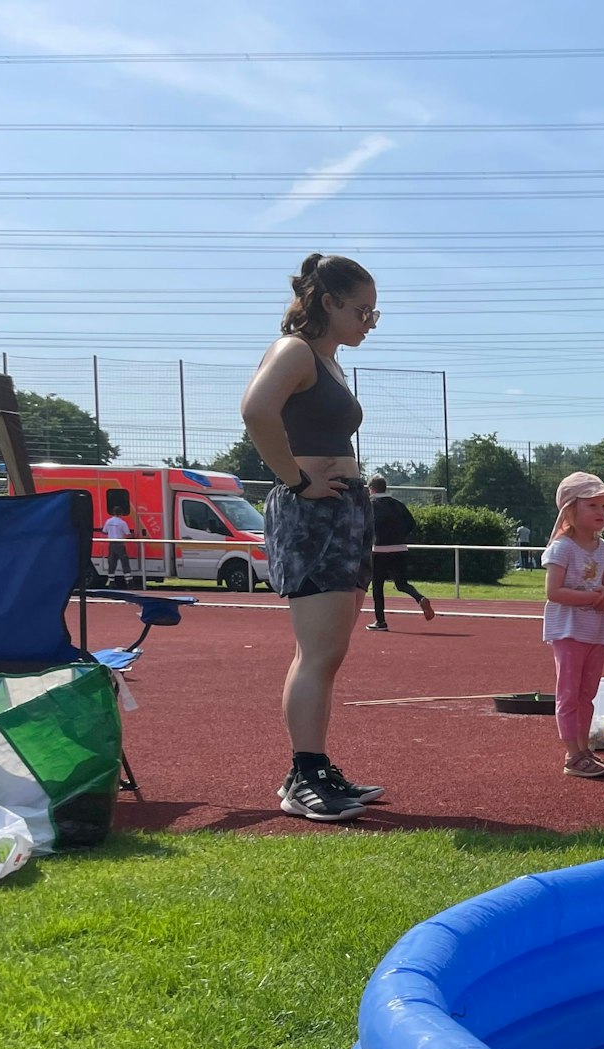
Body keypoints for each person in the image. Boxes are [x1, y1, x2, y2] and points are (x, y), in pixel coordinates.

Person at [239, 252, 384, 822]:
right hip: (313, 512)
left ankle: (314, 768)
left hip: (341, 511)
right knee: (318, 652)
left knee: (327, 652)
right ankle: (306, 776)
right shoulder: (295, 351)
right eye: (361, 311)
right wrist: (297, 481)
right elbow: (256, 411)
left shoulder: (328, 360)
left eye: (374, 314)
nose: (368, 323)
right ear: (328, 302)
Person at [543, 471, 604, 778]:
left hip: (595, 632)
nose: (601, 512)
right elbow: (553, 592)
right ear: (571, 509)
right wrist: (594, 597)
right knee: (569, 694)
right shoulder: (562, 547)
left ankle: (584, 749)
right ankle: (572, 754)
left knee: (587, 695)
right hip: (569, 631)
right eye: (593, 505)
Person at [365, 475, 434, 630]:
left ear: (371, 489)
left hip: (379, 550)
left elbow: (363, 526)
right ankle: (420, 598)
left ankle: (380, 621)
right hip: (400, 548)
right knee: (402, 584)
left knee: (377, 586)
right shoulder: (398, 504)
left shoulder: (370, 505)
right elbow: (411, 523)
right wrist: (399, 536)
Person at [100, 494, 138, 588]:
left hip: (111, 544)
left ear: (113, 513)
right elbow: (127, 534)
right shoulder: (122, 523)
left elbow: (104, 531)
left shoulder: (108, 521)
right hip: (120, 544)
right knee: (124, 562)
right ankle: (129, 582)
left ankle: (111, 582)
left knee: (112, 563)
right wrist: (134, 536)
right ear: (121, 513)